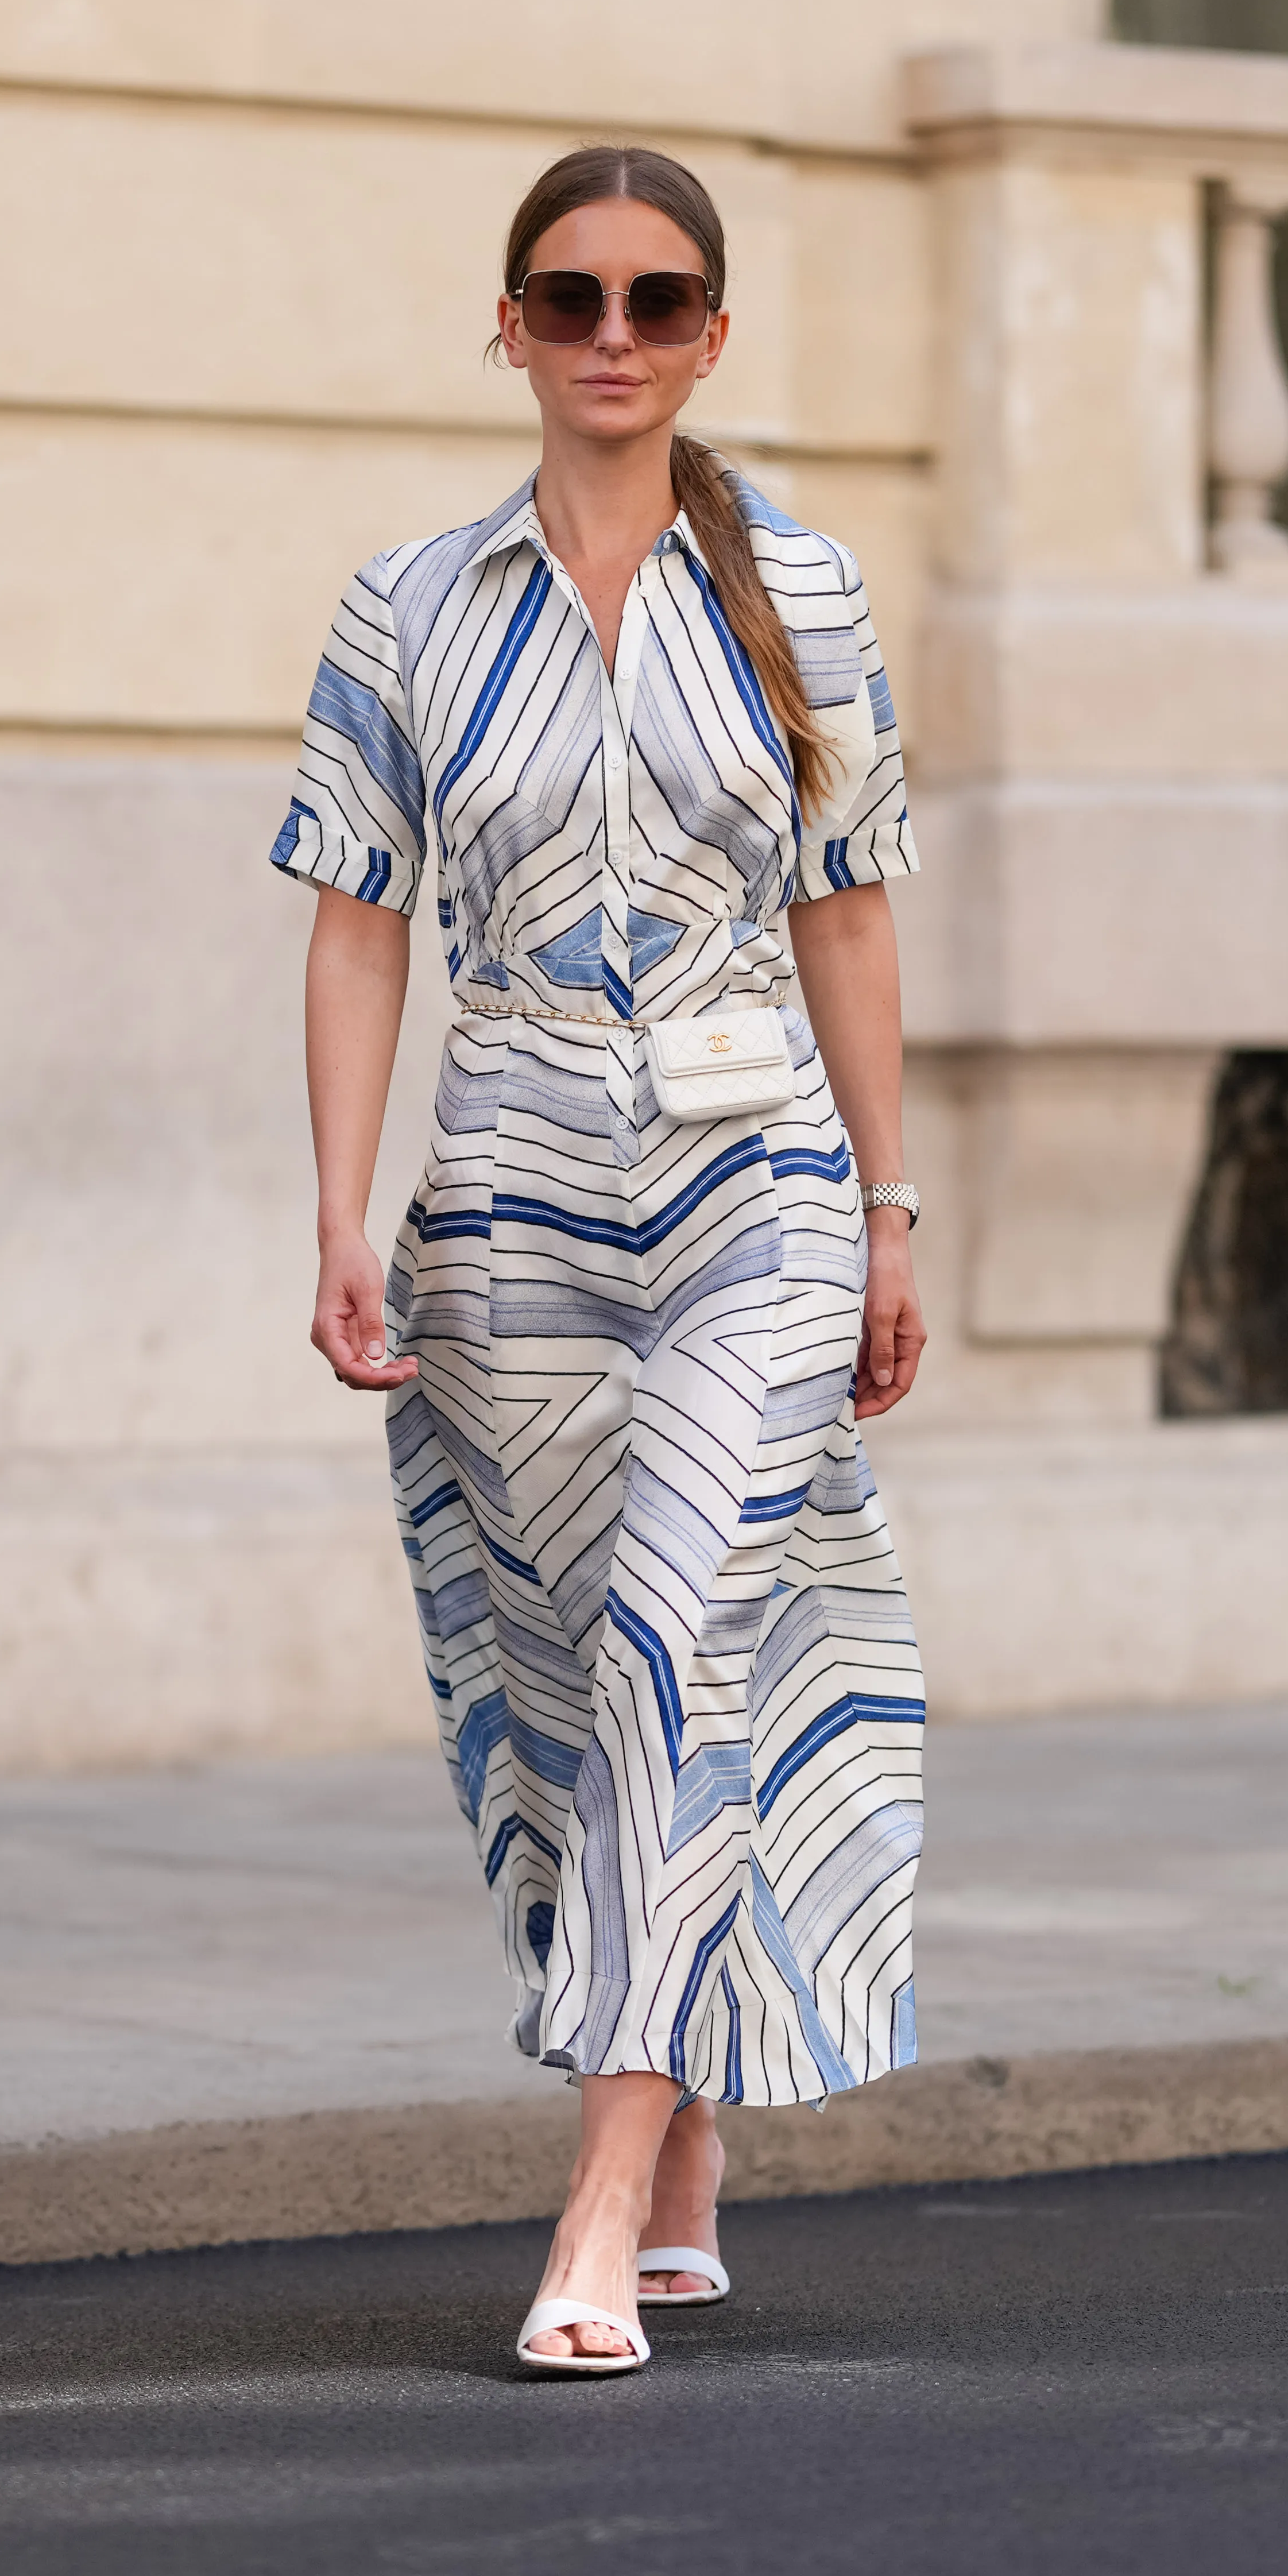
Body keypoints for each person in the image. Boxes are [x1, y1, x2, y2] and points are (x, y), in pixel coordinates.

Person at [273, 144, 930, 2379]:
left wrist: (889, 1207)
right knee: (570, 1702)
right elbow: (355, 919)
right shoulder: (407, 610)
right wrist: (344, 1212)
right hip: (511, 1196)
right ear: (512, 328)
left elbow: (847, 907)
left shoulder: (809, 593)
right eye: (571, 298)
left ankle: (588, 2198)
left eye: (657, 300)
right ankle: (689, 2106)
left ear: (712, 335)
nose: (614, 336)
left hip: (756, 1182)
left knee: (676, 1635)